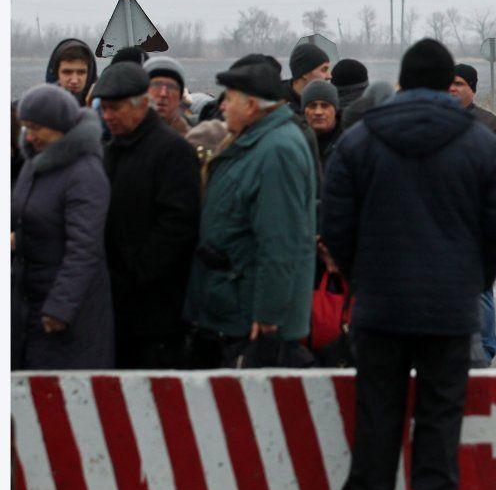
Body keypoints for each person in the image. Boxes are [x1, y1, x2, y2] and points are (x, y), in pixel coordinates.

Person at [322, 39, 496, 490]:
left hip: (379, 307)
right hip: (449, 311)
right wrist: (474, 279)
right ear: (447, 84)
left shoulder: (361, 140)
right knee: (439, 421)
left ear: (405, 82)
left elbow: (335, 223)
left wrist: (361, 278)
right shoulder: (479, 144)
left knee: (376, 419)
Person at [182, 58, 317, 368]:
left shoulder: (276, 150)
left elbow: (280, 240)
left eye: (230, 98)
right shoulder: (255, 140)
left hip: (253, 321)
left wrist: (268, 315)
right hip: (232, 305)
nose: (223, 106)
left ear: (252, 105)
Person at [94, 62, 200, 369]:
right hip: (116, 304)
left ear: (141, 105)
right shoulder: (111, 151)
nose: (107, 116)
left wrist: (136, 273)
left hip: (157, 310)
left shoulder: (173, 152)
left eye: (115, 108)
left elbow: (178, 225)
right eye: (104, 109)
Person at [12, 85, 114, 369]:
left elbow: (84, 247)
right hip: (29, 299)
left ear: (59, 128)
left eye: (36, 128)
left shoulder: (84, 173)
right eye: (25, 127)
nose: (29, 136)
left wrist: (60, 308)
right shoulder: (35, 163)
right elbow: (31, 221)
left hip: (65, 314)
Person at [449, 63, 496, 365]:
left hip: (476, 225)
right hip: (443, 224)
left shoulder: (489, 125)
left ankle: (484, 351)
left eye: (459, 83)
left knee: (480, 290)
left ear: (472, 88)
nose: (453, 89)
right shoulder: (435, 123)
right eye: (449, 84)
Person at [450, 63, 496, 148]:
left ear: (472, 89)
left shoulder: (491, 123)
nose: (451, 88)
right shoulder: (430, 118)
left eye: (458, 84)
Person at [144, 56, 195, 136]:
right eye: (156, 85)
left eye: (171, 87)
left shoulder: (192, 141)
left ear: (180, 97)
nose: (163, 94)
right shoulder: (124, 134)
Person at [44, 38, 97, 106]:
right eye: (67, 72)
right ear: (56, 73)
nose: (74, 81)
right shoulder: (42, 105)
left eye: (81, 72)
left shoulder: (105, 106)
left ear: (90, 74)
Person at [301, 79, 342, 164]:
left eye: (325, 106)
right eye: (312, 106)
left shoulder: (349, 139)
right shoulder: (296, 139)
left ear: (335, 110)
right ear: (304, 111)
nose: (318, 112)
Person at [286, 43, 332, 114]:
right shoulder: (278, 108)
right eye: (324, 70)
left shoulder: (330, 101)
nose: (329, 76)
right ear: (305, 73)